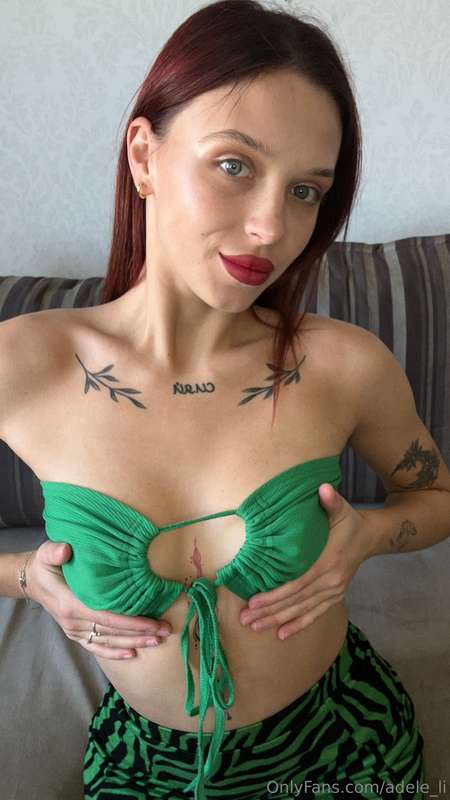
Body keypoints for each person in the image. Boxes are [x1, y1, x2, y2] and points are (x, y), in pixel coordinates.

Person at [2, 0, 449, 797]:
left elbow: (438, 496)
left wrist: (370, 535)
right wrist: (22, 577)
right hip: (147, 765)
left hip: (342, 748)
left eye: (306, 190)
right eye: (235, 165)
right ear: (144, 156)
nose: (272, 227)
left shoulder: (344, 365)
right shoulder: (25, 365)